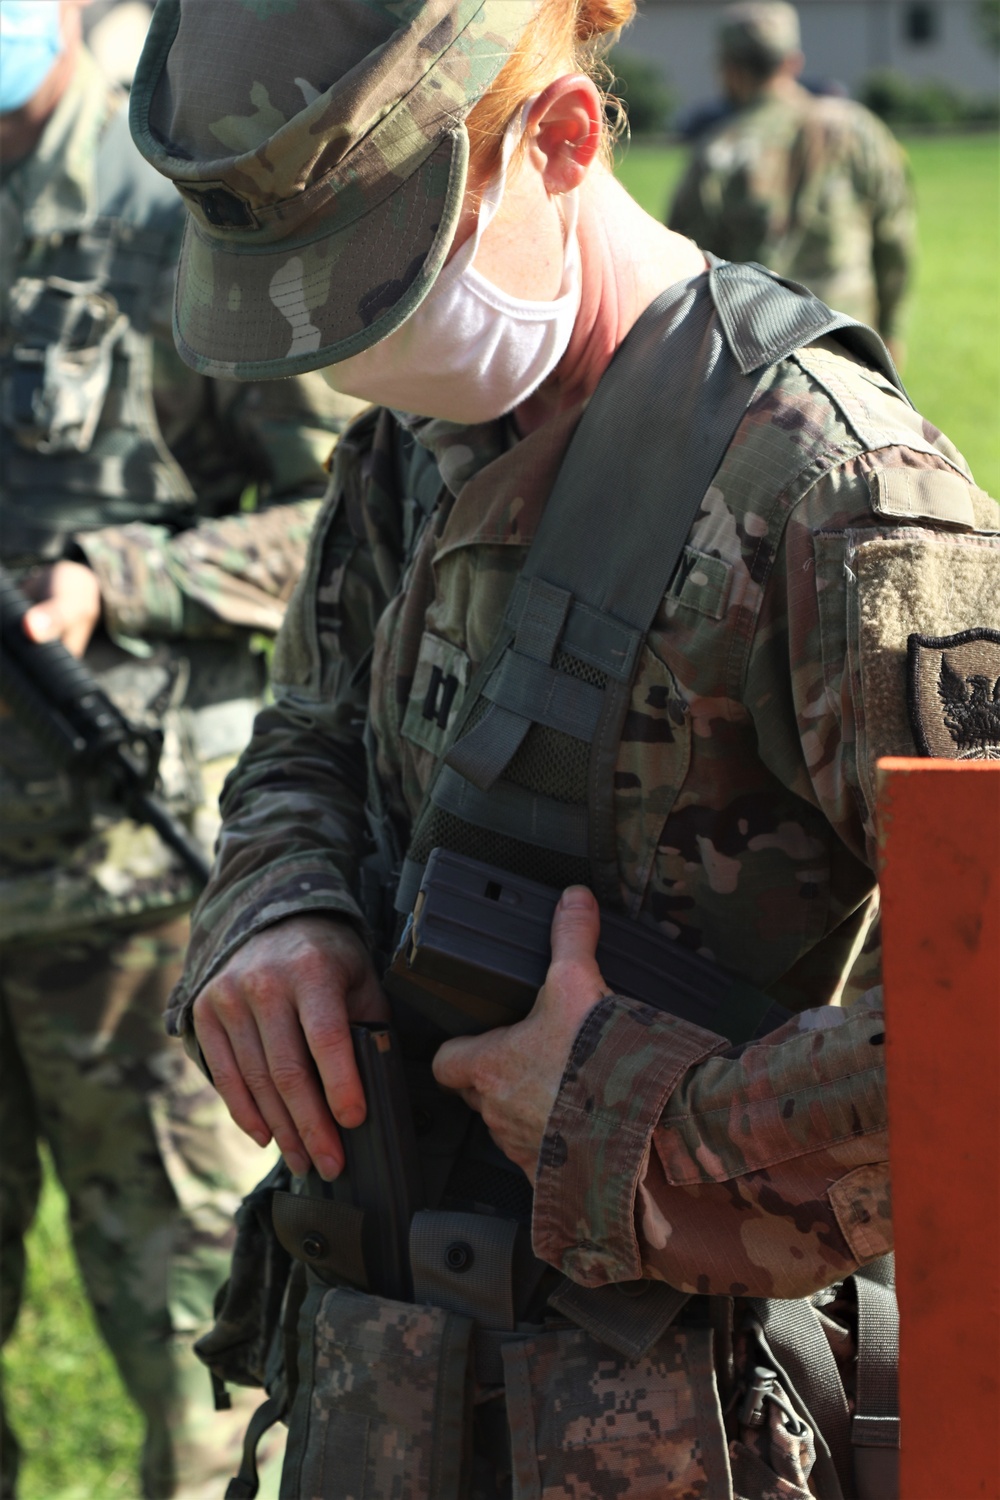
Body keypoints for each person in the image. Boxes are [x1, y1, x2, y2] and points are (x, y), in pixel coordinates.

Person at [130, 0, 999, 1495]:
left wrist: (625, 1109)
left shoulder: (840, 493)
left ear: (564, 140)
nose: (343, 369)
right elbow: (308, 729)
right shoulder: (428, 432)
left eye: (380, 292)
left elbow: (979, 1029)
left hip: (683, 1430)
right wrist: (280, 907)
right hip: (382, 1388)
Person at [0, 4, 363, 1496]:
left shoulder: (194, 217)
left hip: (125, 906)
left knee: (198, 1373)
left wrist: (118, 580)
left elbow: (348, 520)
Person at [668, 2, 915, 362]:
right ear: (792, 62)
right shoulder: (859, 131)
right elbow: (895, 241)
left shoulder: (719, 152)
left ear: (729, 70)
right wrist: (891, 329)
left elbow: (685, 272)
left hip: (762, 358)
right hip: (853, 345)